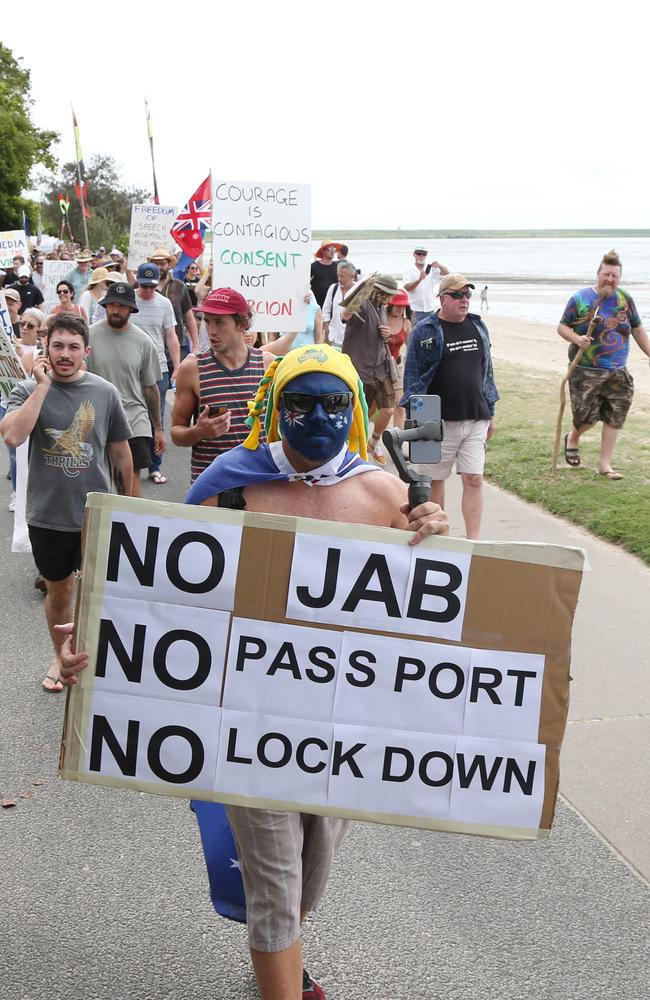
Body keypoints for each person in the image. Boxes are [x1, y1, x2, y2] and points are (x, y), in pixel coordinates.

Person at [58, 343, 449, 1000]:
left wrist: (436, 531)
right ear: (275, 407)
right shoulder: (234, 486)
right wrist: (99, 646)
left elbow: (437, 612)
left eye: (333, 403)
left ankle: (284, 961)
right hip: (248, 722)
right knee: (275, 888)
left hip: (341, 730)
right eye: (301, 403)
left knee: (308, 878)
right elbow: (163, 593)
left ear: (353, 407)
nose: (318, 417)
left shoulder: (384, 493)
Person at [0, 313, 132, 693]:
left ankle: (97, 660)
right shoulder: (27, 390)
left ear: (86, 352)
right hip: (48, 515)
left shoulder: (104, 392)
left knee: (101, 594)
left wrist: (134, 507)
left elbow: (121, 452)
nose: (65, 354)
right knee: (60, 592)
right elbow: (12, 437)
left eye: (73, 347)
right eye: (57, 345)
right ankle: (61, 657)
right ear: (46, 349)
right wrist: (41, 388)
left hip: (98, 514)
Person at [402, 273, 499, 539]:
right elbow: (412, 376)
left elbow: (487, 371)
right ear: (442, 298)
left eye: (467, 295)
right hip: (435, 419)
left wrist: (491, 411)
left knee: (474, 479)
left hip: (475, 417)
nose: (464, 300)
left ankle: (473, 541)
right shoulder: (425, 329)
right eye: (457, 295)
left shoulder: (478, 326)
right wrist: (414, 420)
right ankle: (438, 536)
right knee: (434, 481)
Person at [557, 249, 650, 480]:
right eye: (606, 274)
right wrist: (577, 339)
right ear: (598, 274)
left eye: (614, 276)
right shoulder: (580, 299)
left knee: (615, 416)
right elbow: (562, 327)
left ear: (620, 278)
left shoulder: (625, 299)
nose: (610, 279)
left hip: (618, 371)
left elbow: (637, 329)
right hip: (585, 371)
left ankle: (605, 464)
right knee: (585, 417)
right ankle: (573, 437)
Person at [171, 288, 273, 482]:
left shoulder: (268, 365)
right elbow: (177, 433)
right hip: (211, 486)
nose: (211, 331)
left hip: (261, 484)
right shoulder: (192, 368)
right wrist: (198, 431)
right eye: (207, 321)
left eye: (219, 322)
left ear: (242, 324)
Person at [86, 282, 163, 498]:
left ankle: (132, 525)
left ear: (131, 309)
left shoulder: (143, 342)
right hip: (97, 418)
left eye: (121, 306)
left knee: (129, 483)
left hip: (134, 419)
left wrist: (158, 428)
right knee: (98, 482)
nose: (116, 310)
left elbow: (150, 389)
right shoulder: (89, 336)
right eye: (111, 305)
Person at [341, 273, 399, 464]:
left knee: (389, 410)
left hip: (380, 367)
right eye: (386, 294)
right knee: (360, 413)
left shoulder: (382, 307)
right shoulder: (363, 304)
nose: (389, 299)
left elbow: (380, 334)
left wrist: (387, 334)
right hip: (360, 368)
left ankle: (373, 443)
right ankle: (354, 451)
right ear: (378, 291)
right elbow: (345, 314)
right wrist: (362, 287)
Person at [133, 263, 180, 485]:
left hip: (158, 367)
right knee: (130, 416)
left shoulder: (164, 304)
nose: (148, 290)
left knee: (156, 418)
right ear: (137, 281)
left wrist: (177, 366)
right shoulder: (129, 300)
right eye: (144, 286)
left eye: (152, 286)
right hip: (131, 367)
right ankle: (131, 464)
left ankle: (155, 466)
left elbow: (171, 336)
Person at [147, 247, 199, 356]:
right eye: (155, 264)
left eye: (162, 263)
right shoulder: (143, 286)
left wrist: (196, 345)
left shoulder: (180, 286)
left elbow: (189, 318)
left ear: (169, 264)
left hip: (178, 345)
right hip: (151, 347)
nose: (159, 267)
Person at [386, 288, 412, 430]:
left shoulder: (406, 323)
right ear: (390, 304)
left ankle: (397, 442)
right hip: (379, 366)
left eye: (403, 306)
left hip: (397, 366)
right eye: (397, 305)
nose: (400, 308)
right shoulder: (381, 318)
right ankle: (370, 442)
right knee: (374, 407)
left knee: (400, 405)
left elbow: (411, 347)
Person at [402, 247, 449, 326]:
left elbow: (447, 273)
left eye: (423, 254)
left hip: (429, 309)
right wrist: (419, 280)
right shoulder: (409, 270)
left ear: (426, 255)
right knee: (414, 333)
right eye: (419, 254)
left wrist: (440, 266)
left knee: (430, 334)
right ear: (414, 255)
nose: (421, 256)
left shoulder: (431, 269)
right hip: (414, 310)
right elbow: (407, 288)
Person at [322, 261, 357, 348]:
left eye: (342, 276)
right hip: (333, 338)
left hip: (352, 340)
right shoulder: (333, 288)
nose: (339, 279)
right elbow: (325, 312)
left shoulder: (359, 291)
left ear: (352, 276)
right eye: (338, 275)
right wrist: (327, 333)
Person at [310, 239, 342, 307]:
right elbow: (305, 283)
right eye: (330, 249)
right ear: (323, 251)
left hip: (332, 304)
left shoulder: (337, 266)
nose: (332, 251)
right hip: (317, 304)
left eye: (334, 249)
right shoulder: (314, 266)